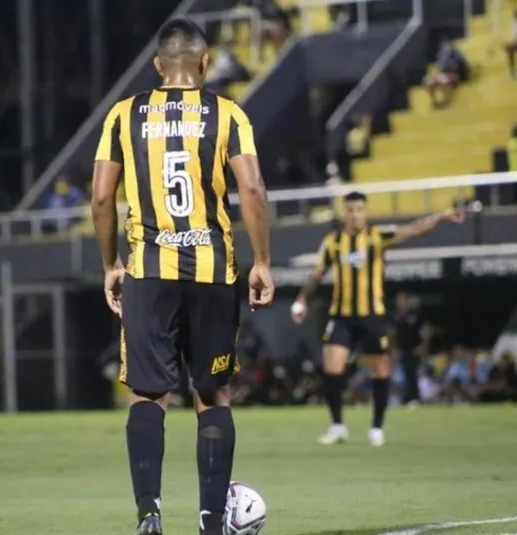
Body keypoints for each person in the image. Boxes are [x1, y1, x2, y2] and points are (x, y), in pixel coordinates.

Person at [91, 19, 274, 535]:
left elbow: (102, 197)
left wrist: (110, 264)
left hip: (149, 271)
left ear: (157, 66)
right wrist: (262, 261)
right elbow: (253, 190)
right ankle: (212, 522)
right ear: (205, 62)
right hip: (212, 270)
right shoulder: (228, 114)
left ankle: (149, 513)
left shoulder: (124, 115)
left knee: (148, 396)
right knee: (212, 396)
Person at [289, 192, 464, 446]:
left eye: (359, 209)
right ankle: (337, 426)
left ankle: (377, 427)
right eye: (350, 210)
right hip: (341, 316)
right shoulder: (333, 242)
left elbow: (414, 229)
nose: (355, 215)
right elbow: (317, 273)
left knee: (380, 370)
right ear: (344, 213)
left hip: (371, 315)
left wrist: (440, 217)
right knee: (332, 368)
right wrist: (301, 299)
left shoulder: (377, 236)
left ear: (366, 212)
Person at [392, 292, 423, 406]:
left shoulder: (415, 315)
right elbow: (392, 333)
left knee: (412, 373)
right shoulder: (396, 317)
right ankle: (406, 398)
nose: (401, 303)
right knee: (403, 374)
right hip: (401, 350)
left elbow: (425, 331)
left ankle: (415, 397)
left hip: (414, 349)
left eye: (403, 300)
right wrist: (393, 349)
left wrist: (422, 346)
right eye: (399, 301)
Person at [423, 37, 469, 108]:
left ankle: (448, 99)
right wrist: (435, 76)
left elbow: (463, 68)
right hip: (444, 74)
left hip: (456, 75)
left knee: (443, 80)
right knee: (428, 81)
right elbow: (437, 68)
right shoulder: (440, 55)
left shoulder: (455, 54)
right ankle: (434, 101)